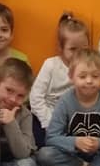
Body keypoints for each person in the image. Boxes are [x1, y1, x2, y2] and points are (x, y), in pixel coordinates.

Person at [29, 12, 90, 146]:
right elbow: (35, 97)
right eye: (73, 49)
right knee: (43, 145)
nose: (78, 54)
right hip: (46, 117)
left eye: (84, 49)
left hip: (72, 120)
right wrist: (49, 122)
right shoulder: (51, 65)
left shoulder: (88, 68)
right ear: (60, 48)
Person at [0, 57, 37, 166]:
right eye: (9, 90)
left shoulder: (25, 115)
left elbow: (23, 153)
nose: (13, 99)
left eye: (20, 96)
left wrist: (10, 123)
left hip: (10, 162)